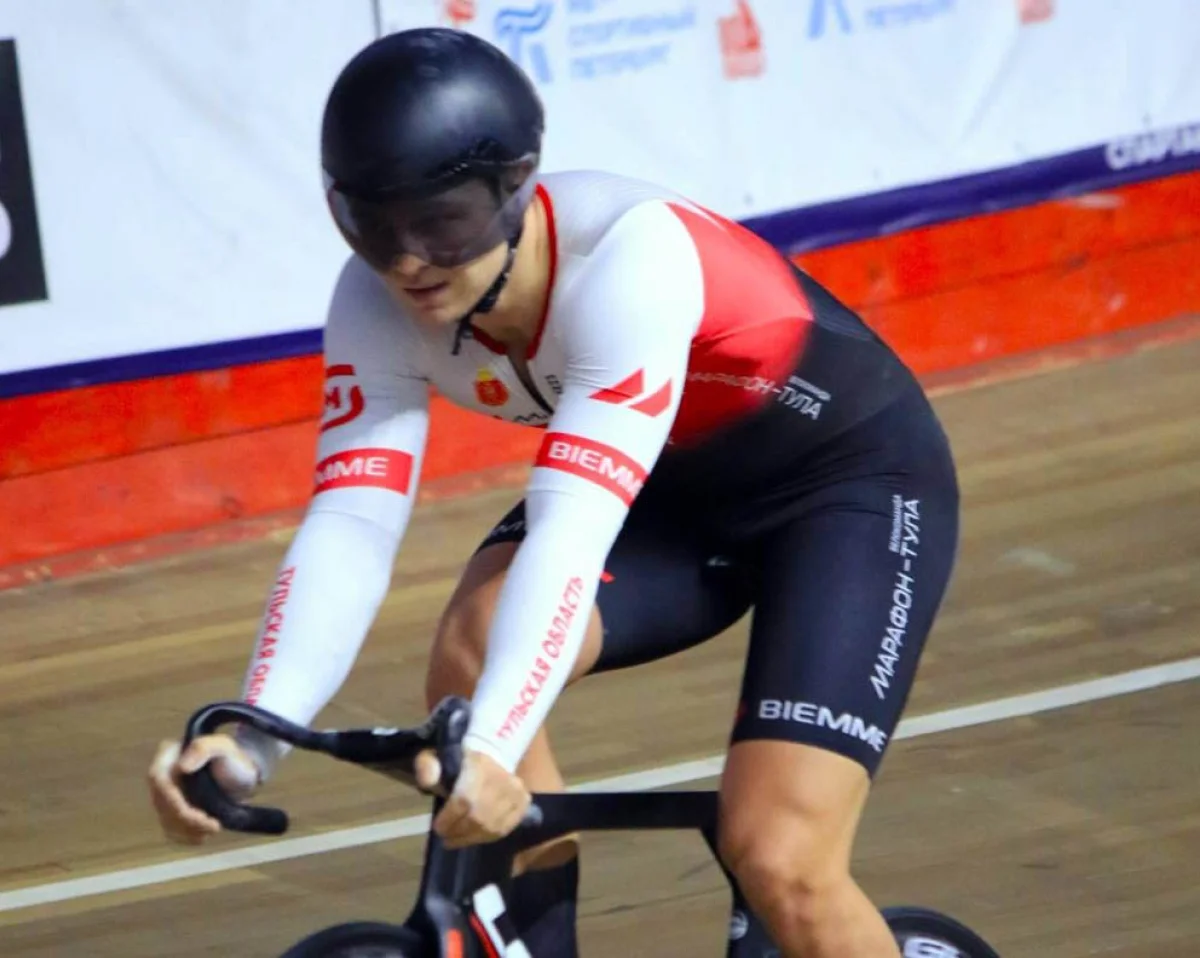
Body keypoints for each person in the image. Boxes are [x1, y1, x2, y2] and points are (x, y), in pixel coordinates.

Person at [147, 27, 959, 958]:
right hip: (673, 487)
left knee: (780, 858)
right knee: (474, 647)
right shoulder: (373, 303)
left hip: (847, 492)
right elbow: (351, 524)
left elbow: (571, 533)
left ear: (515, 188)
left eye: (443, 222)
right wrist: (251, 739)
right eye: (375, 226)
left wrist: (493, 747)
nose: (409, 262)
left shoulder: (629, 260)